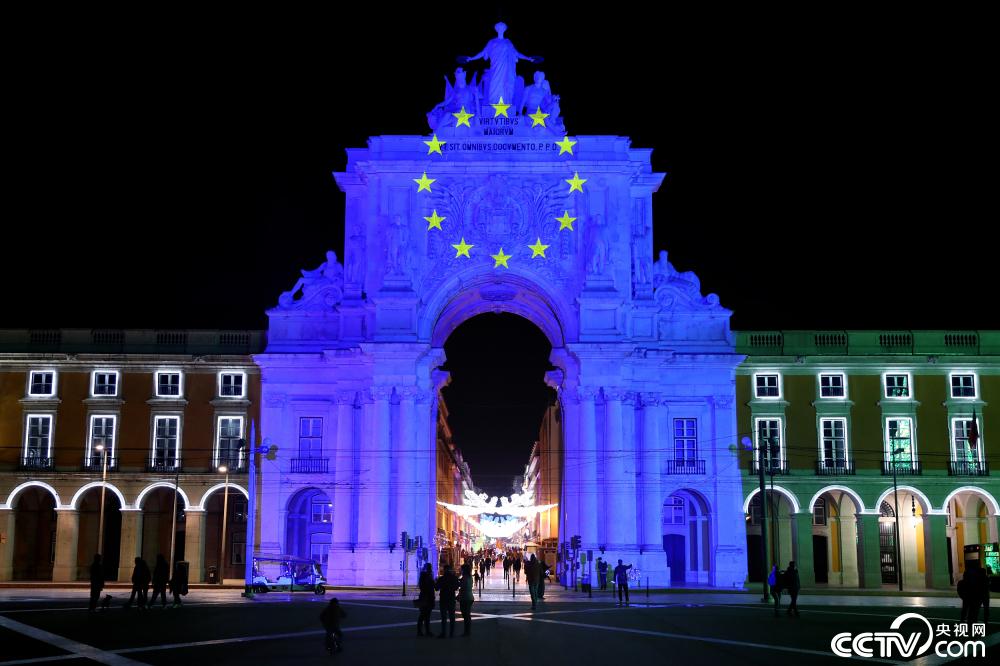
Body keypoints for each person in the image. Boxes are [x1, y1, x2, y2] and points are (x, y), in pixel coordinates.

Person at [435, 564, 460, 638]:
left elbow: (436, 588)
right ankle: (451, 633)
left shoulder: (441, 579)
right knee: (452, 617)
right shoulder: (454, 578)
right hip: (451, 598)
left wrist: (435, 582)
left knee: (443, 617)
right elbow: (456, 587)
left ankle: (443, 632)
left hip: (443, 598)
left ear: (444, 570)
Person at [416, 563, 435, 637]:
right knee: (423, 615)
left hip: (428, 597)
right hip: (425, 597)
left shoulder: (427, 576)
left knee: (426, 615)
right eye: (429, 568)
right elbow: (423, 586)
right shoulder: (425, 576)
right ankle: (421, 631)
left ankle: (426, 631)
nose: (430, 569)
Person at [459, 563, 475, 636]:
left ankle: (466, 631)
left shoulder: (464, 578)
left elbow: (462, 588)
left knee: (465, 615)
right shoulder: (470, 577)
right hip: (470, 597)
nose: (460, 570)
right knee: (467, 615)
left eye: (461, 569)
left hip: (464, 598)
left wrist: (458, 596)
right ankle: (467, 631)